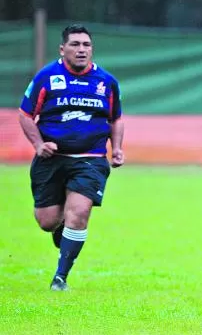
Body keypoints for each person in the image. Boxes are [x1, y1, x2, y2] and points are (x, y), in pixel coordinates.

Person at [18, 24, 124, 291]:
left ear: (92, 49)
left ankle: (60, 278)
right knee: (46, 221)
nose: (81, 50)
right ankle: (61, 227)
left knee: (79, 213)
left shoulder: (106, 82)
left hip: (91, 159)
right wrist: (39, 144)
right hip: (52, 160)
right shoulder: (47, 77)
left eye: (86, 45)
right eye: (75, 44)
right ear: (62, 49)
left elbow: (116, 119)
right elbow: (25, 114)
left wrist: (118, 148)